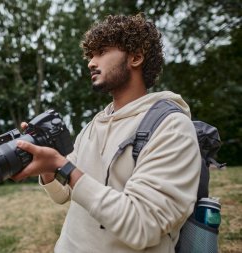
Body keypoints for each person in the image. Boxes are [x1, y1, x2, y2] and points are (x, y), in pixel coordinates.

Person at [12, 13, 201, 253]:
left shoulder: (171, 127)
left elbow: (142, 226)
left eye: (101, 52)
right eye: (90, 55)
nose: (91, 62)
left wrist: (63, 166)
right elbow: (64, 194)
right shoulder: (94, 124)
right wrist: (48, 167)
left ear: (136, 57)